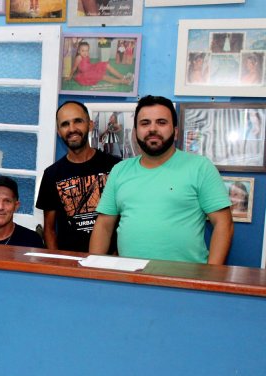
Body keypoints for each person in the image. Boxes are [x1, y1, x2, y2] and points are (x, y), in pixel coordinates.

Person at [90, 95, 234, 264]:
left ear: (176, 132)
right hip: (129, 276)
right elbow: (104, 226)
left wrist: (211, 274)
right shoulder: (119, 170)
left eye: (161, 122)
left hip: (185, 277)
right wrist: (93, 269)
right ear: (135, 132)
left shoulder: (200, 167)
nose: (153, 129)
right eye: (145, 123)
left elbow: (224, 224)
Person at [36, 101, 120, 252]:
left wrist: (118, 258)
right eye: (65, 124)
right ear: (59, 131)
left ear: (90, 125)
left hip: (109, 261)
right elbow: (49, 229)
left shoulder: (115, 167)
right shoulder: (51, 174)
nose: (72, 129)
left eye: (78, 121)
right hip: (69, 262)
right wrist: (58, 262)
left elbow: (126, 219)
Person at [66, 41, 132, 87]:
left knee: (106, 65)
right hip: (86, 74)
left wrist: (95, 69)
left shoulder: (86, 55)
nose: (85, 53)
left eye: (87, 50)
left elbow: (87, 64)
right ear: (79, 51)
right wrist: (70, 76)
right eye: (83, 51)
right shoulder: (79, 57)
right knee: (104, 77)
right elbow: (74, 68)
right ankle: (125, 82)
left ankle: (123, 77)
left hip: (91, 68)